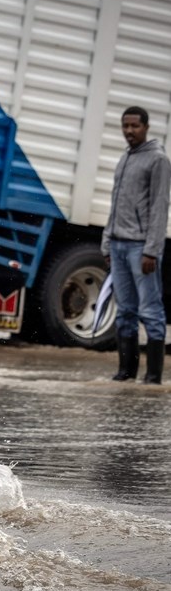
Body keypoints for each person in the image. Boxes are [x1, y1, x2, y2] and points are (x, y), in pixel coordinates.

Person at [102, 106, 169, 385]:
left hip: (141, 248)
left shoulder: (158, 160)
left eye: (135, 126)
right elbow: (115, 204)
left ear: (146, 127)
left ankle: (153, 377)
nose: (129, 131)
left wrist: (152, 249)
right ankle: (125, 373)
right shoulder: (125, 158)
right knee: (125, 310)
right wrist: (107, 242)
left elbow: (159, 207)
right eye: (125, 126)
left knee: (150, 311)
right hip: (117, 245)